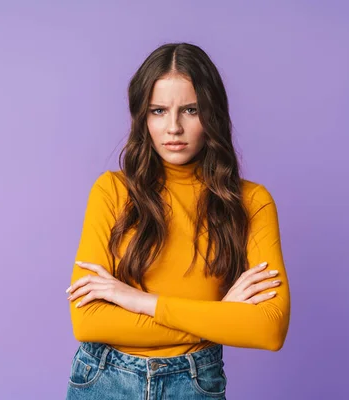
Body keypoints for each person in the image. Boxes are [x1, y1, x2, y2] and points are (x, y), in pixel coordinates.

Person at [64, 42, 291, 399]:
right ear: (143, 116)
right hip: (105, 380)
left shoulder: (251, 202)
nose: (173, 127)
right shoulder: (111, 191)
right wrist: (219, 318)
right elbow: (89, 321)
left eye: (190, 110)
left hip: (195, 384)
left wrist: (141, 302)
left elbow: (269, 329)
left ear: (212, 114)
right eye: (158, 110)